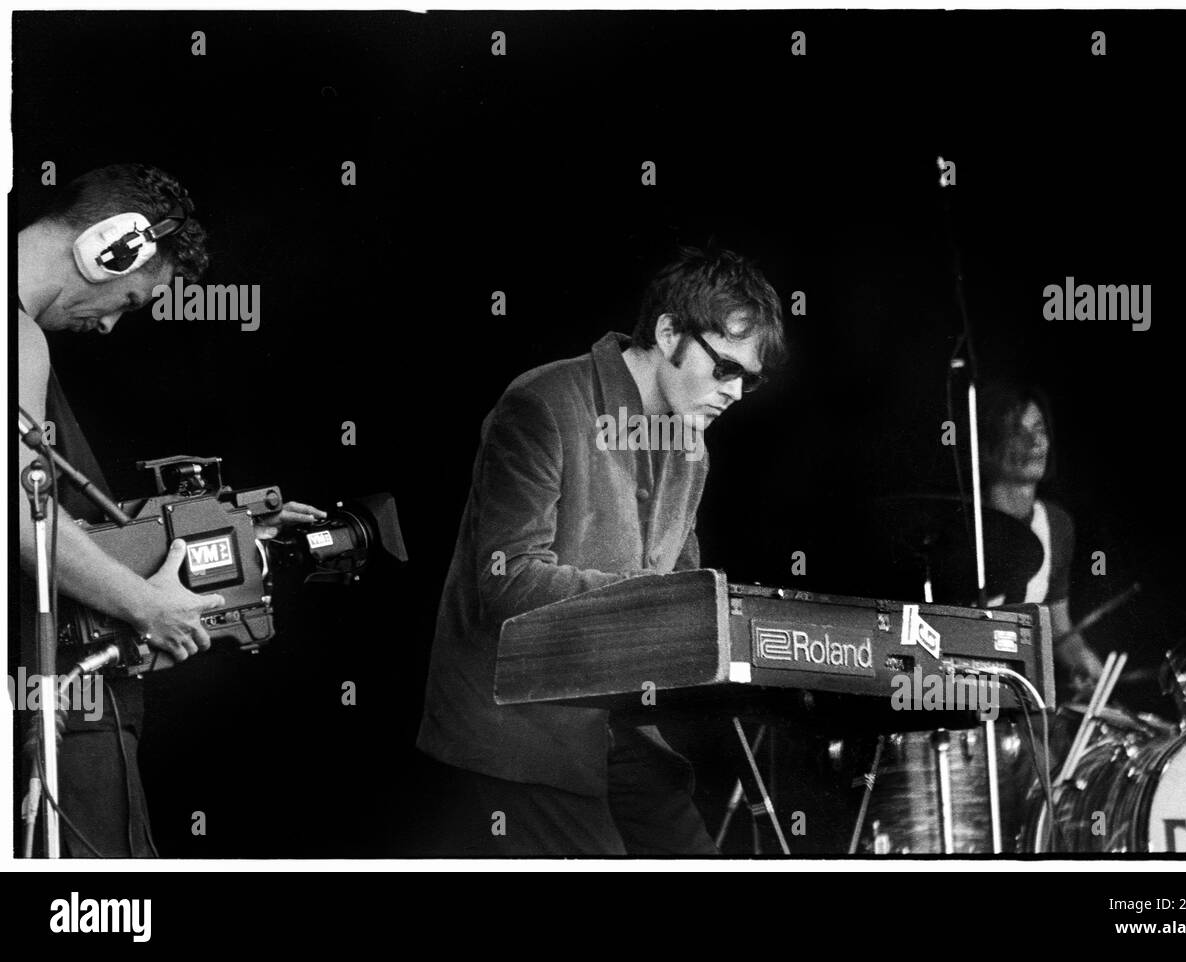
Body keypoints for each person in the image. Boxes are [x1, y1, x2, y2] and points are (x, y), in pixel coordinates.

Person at [415, 246, 787, 856]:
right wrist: (663, 605)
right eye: (725, 368)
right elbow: (508, 584)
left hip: (622, 734)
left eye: (749, 378)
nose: (737, 393)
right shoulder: (542, 403)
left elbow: (681, 602)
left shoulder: (692, 449)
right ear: (668, 333)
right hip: (522, 734)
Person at [15, 163, 324, 856]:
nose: (113, 326)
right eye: (132, 297)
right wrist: (149, 607)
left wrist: (232, 532)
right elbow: (24, 521)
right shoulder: (16, 336)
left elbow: (53, 516)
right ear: (110, 247)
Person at [977, 380, 1103, 691]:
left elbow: (1059, 627)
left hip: (1027, 699)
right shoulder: (962, 525)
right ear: (988, 445)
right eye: (1018, 433)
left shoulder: (1057, 524)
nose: (1035, 442)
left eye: (1040, 429)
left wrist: (1082, 658)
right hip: (969, 696)